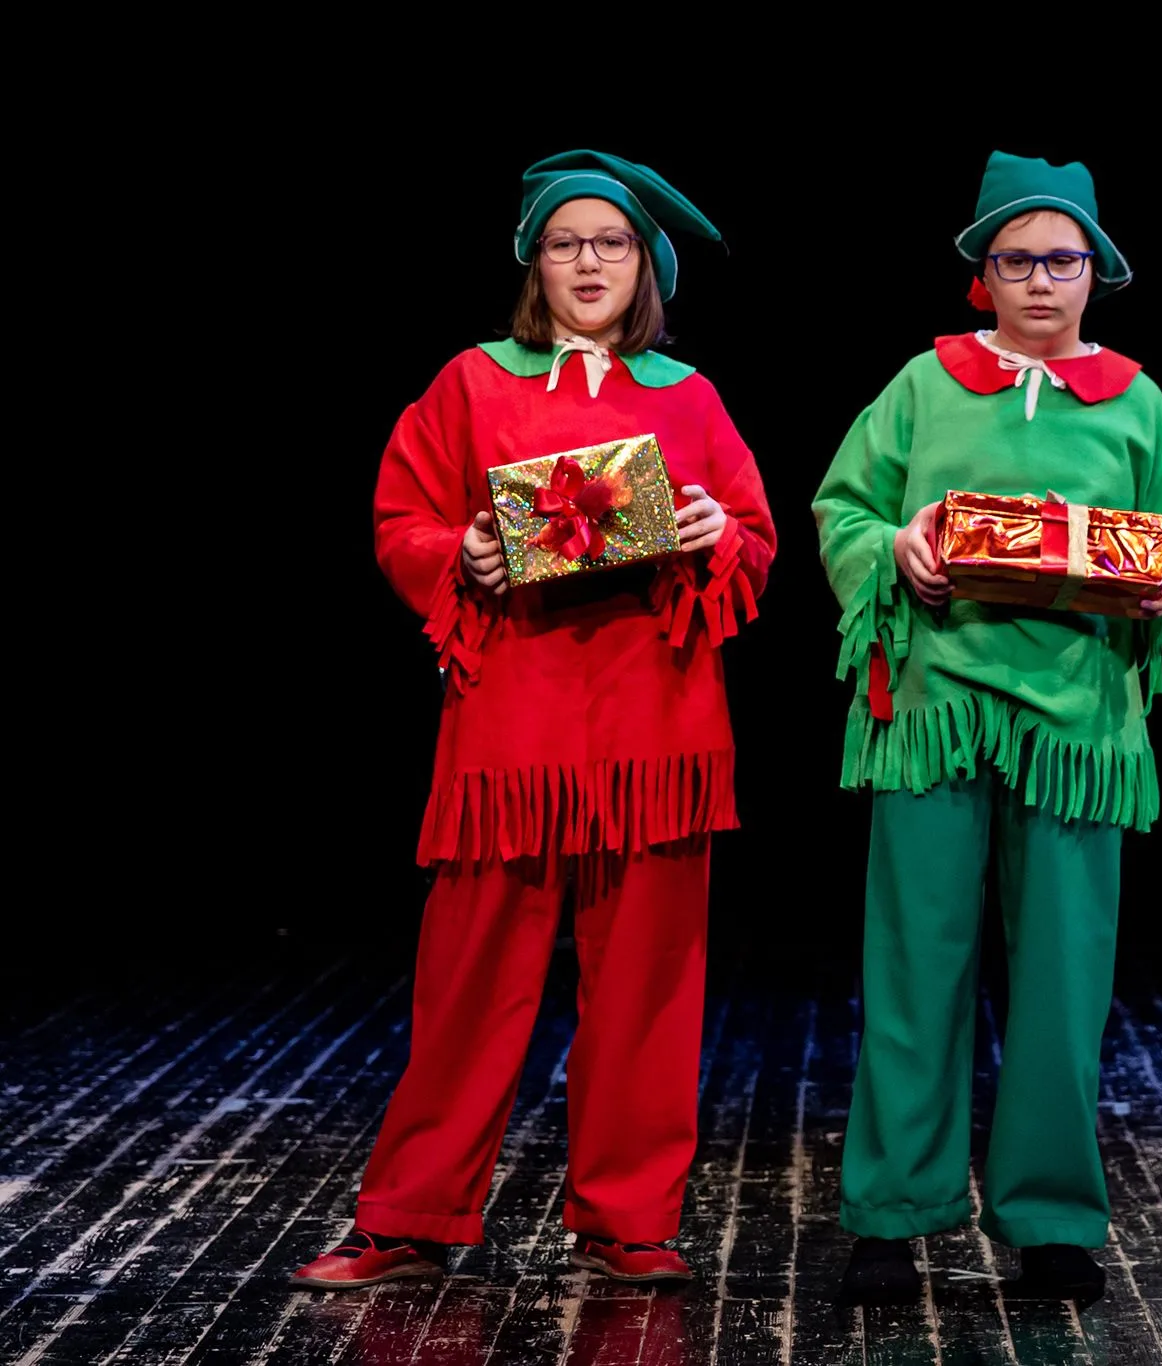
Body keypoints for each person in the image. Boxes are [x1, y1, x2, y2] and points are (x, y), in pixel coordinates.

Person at [291, 149, 776, 1289]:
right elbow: (403, 516)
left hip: (656, 729)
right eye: (566, 244)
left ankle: (630, 1217)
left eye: (610, 244)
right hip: (514, 723)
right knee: (469, 979)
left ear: (646, 265)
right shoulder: (473, 383)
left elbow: (752, 537)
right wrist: (454, 551)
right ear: (535, 263)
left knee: (648, 984)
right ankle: (410, 1216)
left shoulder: (688, 395)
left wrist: (718, 535)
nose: (588, 263)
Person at [811, 149, 1162, 1306]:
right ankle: (892, 1217)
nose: (1040, 281)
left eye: (1061, 260)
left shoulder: (1134, 399)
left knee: (1060, 984)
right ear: (982, 274)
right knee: (914, 970)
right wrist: (892, 546)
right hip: (937, 710)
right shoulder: (924, 384)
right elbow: (844, 506)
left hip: (1075, 725)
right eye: (1016, 260)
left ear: (1095, 272)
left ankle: (1050, 1220)